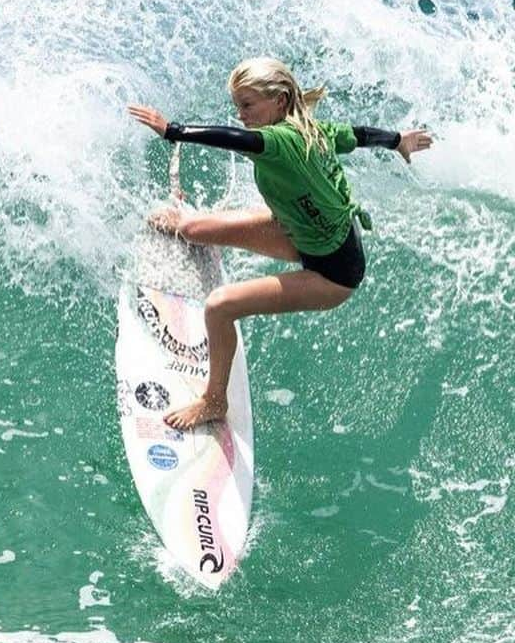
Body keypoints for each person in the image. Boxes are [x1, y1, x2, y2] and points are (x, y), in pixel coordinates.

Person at [128, 56, 432, 431]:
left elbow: (235, 139)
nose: (241, 114)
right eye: (237, 105)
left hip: (331, 273)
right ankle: (203, 232)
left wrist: (174, 130)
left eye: (248, 104)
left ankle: (213, 401)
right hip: (298, 229)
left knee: (220, 306)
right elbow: (360, 135)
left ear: (281, 100)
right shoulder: (315, 129)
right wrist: (398, 140)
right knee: (190, 230)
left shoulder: (279, 139)